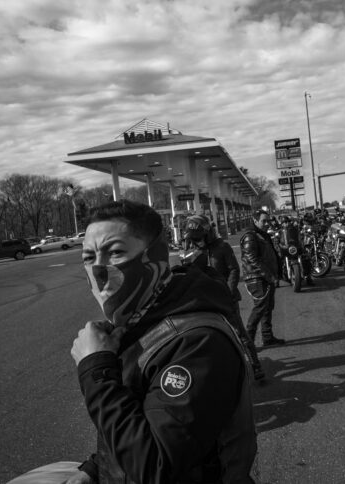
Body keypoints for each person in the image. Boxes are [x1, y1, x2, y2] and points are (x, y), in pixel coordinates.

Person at [68, 199, 256, 484]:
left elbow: (155, 466)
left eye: (115, 252)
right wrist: (95, 469)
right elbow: (137, 418)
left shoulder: (199, 342)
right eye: (88, 257)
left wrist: (95, 370)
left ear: (154, 255)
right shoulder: (139, 321)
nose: (98, 269)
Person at [182, 214, 266, 380]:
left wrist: (228, 290)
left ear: (207, 234)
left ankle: (255, 365)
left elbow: (234, 269)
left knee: (240, 333)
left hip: (225, 297)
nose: (196, 241)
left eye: (198, 238)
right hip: (203, 301)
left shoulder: (222, 247)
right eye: (193, 239)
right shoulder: (191, 251)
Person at [240, 209, 284, 347]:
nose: (267, 223)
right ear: (255, 221)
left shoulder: (262, 235)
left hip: (265, 276)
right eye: (263, 221)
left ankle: (267, 337)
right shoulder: (250, 236)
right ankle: (248, 342)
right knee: (260, 308)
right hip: (256, 277)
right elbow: (252, 258)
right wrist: (269, 275)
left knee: (268, 307)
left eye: (268, 220)